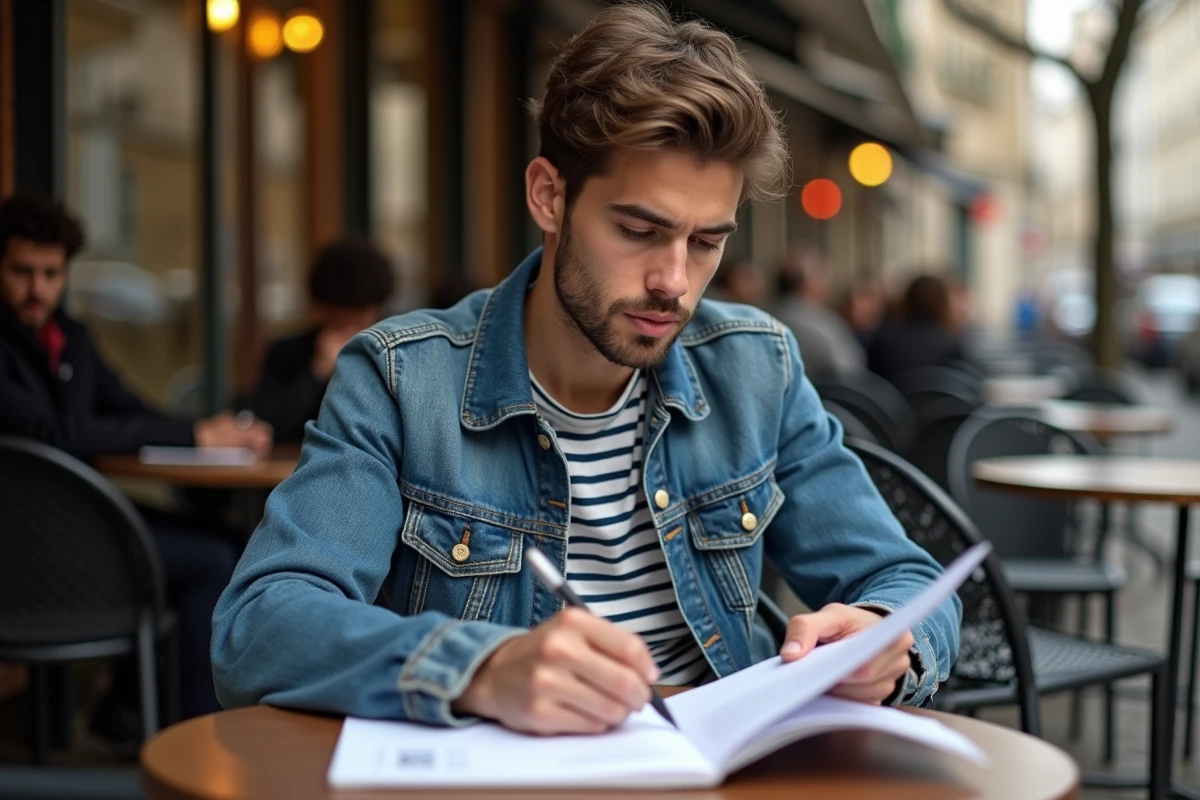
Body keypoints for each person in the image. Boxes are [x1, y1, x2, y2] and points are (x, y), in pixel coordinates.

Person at [212, 2, 960, 736]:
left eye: (706, 243)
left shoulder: (754, 367)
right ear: (549, 195)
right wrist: (480, 669)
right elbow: (259, 624)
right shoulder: (404, 382)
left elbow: (913, 584)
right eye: (640, 230)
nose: (674, 280)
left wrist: (880, 634)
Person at [0, 192, 269, 738]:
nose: (38, 290)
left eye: (52, 274)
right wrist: (191, 433)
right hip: (26, 548)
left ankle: (128, 713)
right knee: (214, 560)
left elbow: (128, 407)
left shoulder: (68, 338)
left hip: (79, 528)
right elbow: (53, 433)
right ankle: (198, 742)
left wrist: (212, 435)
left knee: (234, 539)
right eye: (22, 272)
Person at [251, 237, 395, 443]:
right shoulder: (287, 353)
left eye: (360, 319)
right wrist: (318, 369)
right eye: (341, 322)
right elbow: (267, 428)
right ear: (322, 310)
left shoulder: (395, 354)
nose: (351, 331)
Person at [773, 249, 865, 380]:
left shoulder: (765, 319)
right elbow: (851, 370)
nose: (827, 284)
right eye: (822, 276)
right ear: (809, 283)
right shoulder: (824, 325)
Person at [867, 274, 970, 383]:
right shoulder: (951, 343)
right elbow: (962, 384)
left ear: (906, 300)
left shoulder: (882, 340)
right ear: (943, 304)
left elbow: (871, 382)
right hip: (937, 400)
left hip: (889, 399)